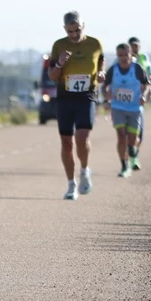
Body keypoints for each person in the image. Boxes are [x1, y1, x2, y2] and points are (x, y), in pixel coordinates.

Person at [47, 11, 104, 200]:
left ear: (83, 26)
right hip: (65, 98)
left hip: (86, 96)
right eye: (70, 31)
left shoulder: (94, 44)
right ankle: (71, 184)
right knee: (66, 142)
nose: (74, 34)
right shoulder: (59, 45)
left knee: (82, 138)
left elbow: (101, 62)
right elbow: (52, 76)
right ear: (65, 29)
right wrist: (60, 63)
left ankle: (85, 170)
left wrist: (101, 74)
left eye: (77, 30)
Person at [102, 43, 151, 177]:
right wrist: (106, 96)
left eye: (126, 55)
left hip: (135, 109)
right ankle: (124, 166)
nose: (123, 58)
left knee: (132, 139)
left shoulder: (137, 69)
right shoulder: (113, 70)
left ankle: (133, 153)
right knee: (121, 135)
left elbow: (146, 84)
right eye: (120, 55)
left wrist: (144, 95)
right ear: (117, 56)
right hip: (117, 108)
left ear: (131, 55)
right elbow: (104, 86)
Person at [126, 37, 151, 171]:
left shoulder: (143, 58)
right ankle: (130, 156)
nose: (135, 48)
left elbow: (150, 74)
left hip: (139, 96)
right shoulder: (124, 57)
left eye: (136, 45)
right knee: (126, 131)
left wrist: (149, 88)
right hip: (125, 98)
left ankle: (134, 153)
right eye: (132, 45)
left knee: (139, 132)